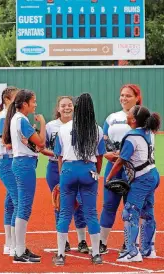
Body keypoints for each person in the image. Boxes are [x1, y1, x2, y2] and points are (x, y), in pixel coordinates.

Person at [53, 93, 105, 265]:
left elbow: (59, 157)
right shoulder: (97, 129)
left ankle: (60, 255)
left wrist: (62, 177)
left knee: (65, 213)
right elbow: (99, 157)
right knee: (91, 213)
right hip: (88, 170)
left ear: (76, 108)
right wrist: (95, 173)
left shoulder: (63, 128)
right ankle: (96, 254)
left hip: (68, 170)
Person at [106, 105, 160, 262]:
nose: (127, 114)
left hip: (142, 178)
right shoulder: (148, 131)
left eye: (129, 113)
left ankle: (131, 252)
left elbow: (121, 161)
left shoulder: (131, 136)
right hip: (152, 174)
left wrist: (109, 177)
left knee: (130, 213)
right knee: (147, 213)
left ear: (134, 120)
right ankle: (148, 249)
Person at [41, 96, 88, 253]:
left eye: (69, 105)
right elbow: (42, 147)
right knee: (59, 203)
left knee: (79, 203)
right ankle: (64, 240)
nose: (66, 108)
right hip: (55, 167)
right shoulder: (50, 126)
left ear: (74, 108)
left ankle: (82, 241)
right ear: (58, 108)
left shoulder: (80, 125)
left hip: (75, 167)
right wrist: (57, 154)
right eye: (63, 105)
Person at [3, 89, 46, 263]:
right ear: (24, 104)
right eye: (33, 101)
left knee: (22, 206)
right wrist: (43, 123)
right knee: (24, 207)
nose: (35, 104)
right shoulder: (21, 120)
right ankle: (19, 251)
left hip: (21, 163)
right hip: (24, 164)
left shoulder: (16, 119)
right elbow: (41, 142)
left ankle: (20, 249)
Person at [100, 84, 142, 254]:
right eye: (122, 95)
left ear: (137, 98)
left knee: (131, 207)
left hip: (133, 169)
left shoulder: (142, 117)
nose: (124, 98)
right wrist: (107, 153)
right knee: (109, 205)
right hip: (113, 166)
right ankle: (102, 243)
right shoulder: (112, 117)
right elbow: (103, 139)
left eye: (128, 95)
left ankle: (130, 243)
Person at [0, 86, 19, 256]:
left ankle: (9, 243)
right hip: (8, 161)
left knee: (10, 202)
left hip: (9, 161)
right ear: (7, 100)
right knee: (18, 201)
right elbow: (7, 142)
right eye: (16, 98)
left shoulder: (9, 116)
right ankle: (16, 244)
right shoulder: (5, 117)